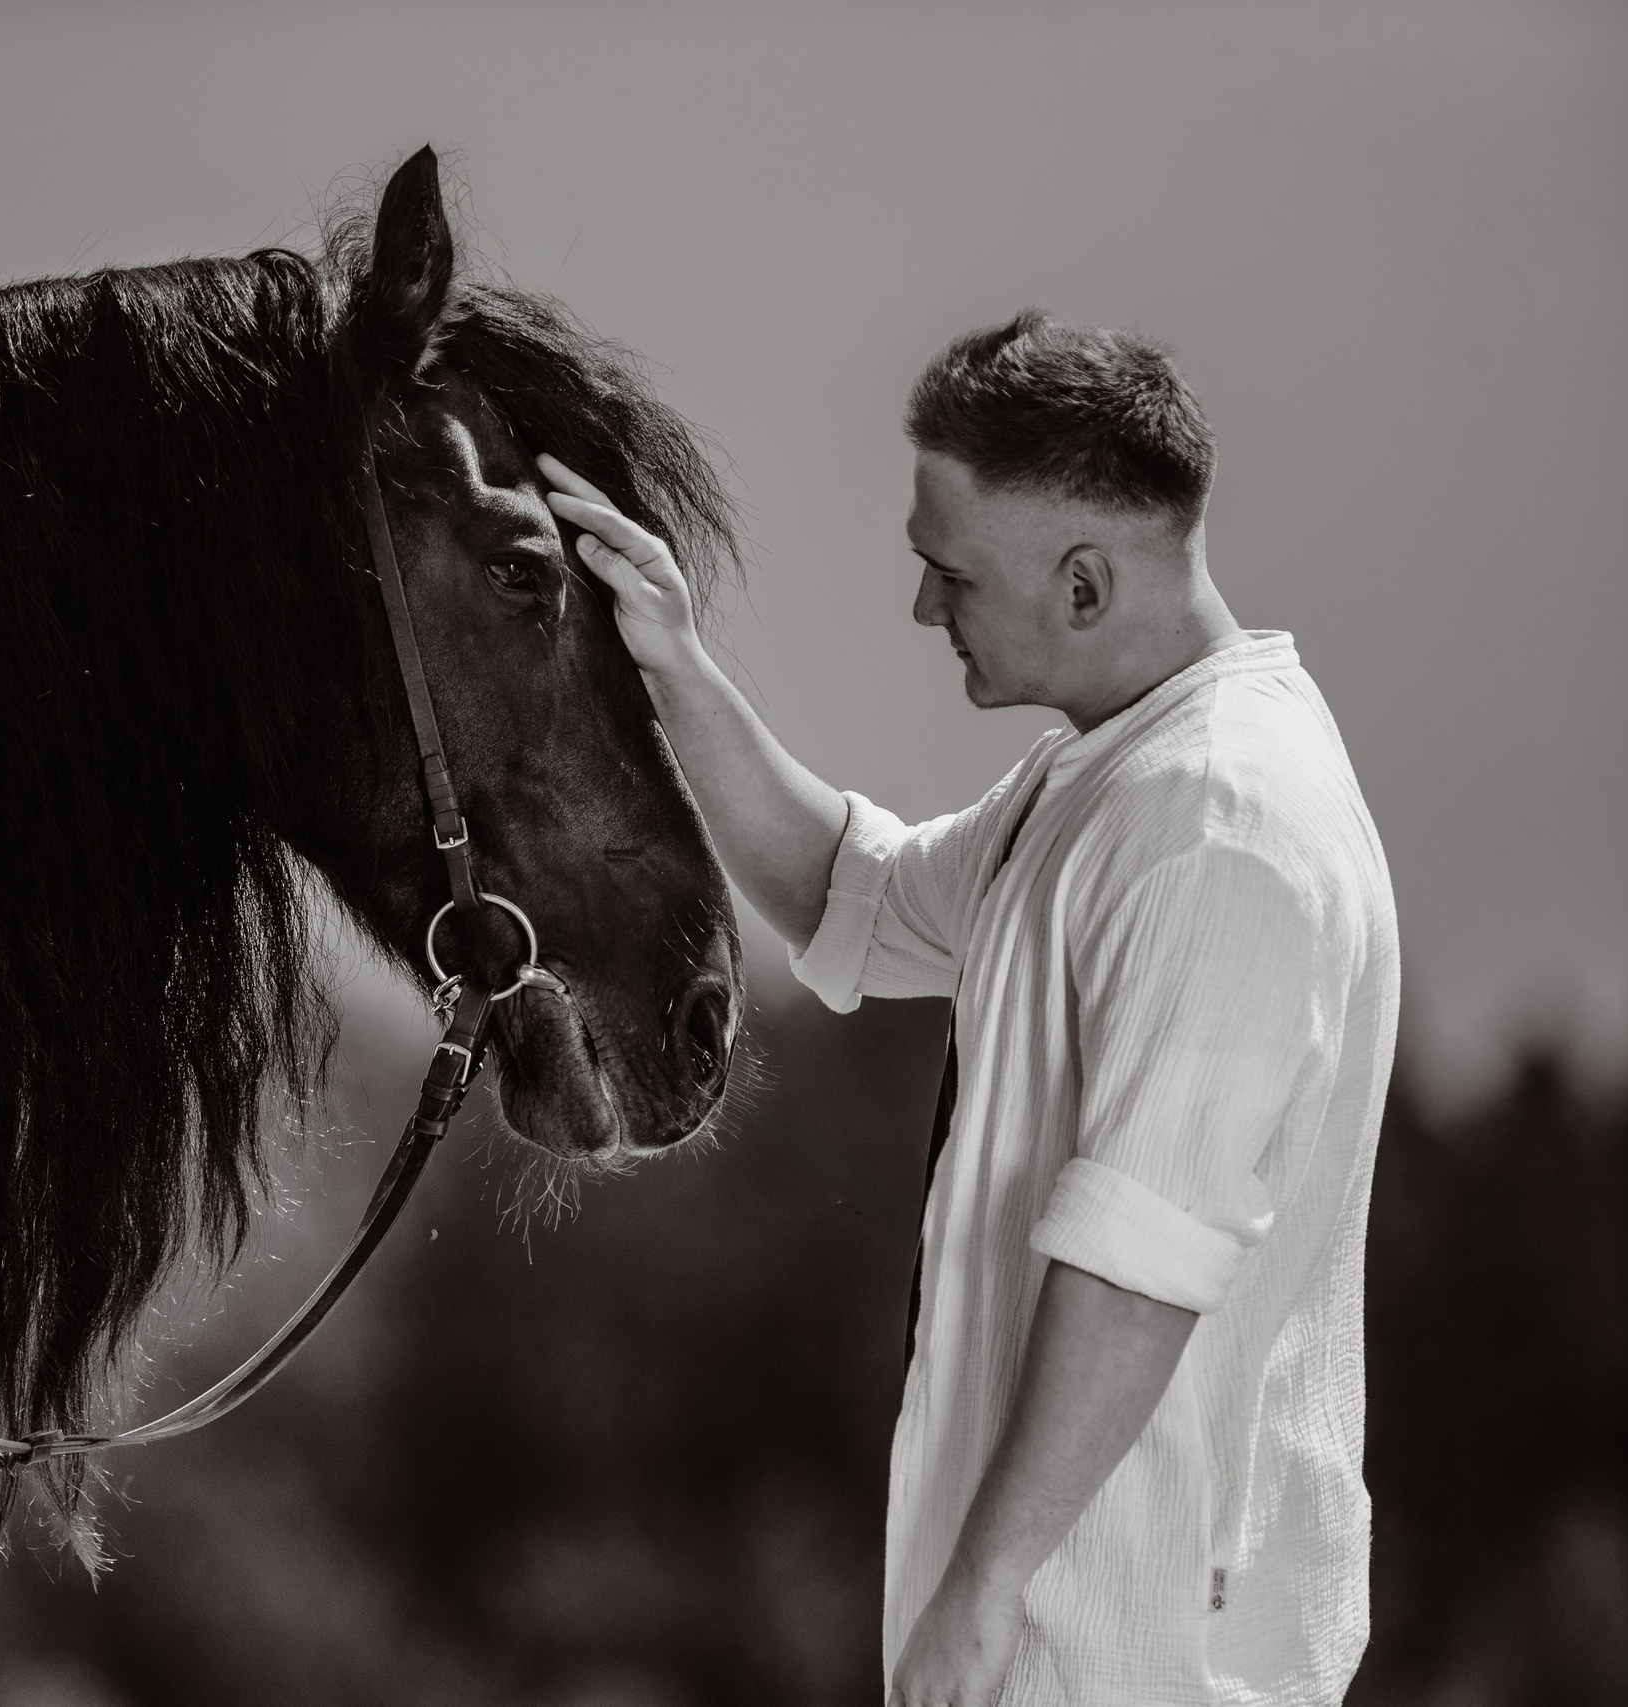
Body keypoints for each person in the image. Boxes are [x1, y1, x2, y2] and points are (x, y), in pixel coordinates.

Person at [540, 310, 1398, 1707]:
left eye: (950, 573)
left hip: (1137, 1660)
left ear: (1080, 584)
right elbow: (850, 898)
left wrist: (988, 1584)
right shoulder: (1109, 783)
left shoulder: (1221, 825)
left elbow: (1143, 1254)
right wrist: (673, 667)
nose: (925, 609)